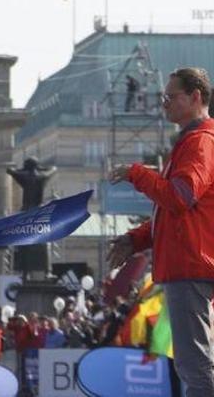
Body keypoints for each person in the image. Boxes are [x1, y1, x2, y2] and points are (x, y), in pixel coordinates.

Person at [108, 67, 214, 396]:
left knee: (195, 367)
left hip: (189, 267)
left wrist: (136, 174)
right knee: (194, 364)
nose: (164, 104)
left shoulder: (199, 144)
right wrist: (136, 239)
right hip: (189, 264)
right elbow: (174, 213)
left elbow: (179, 198)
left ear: (196, 97)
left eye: (171, 97)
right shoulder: (192, 142)